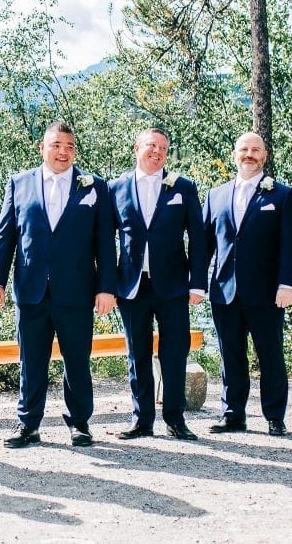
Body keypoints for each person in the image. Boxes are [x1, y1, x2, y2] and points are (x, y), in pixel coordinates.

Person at [0, 121, 116, 447]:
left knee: (77, 360)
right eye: (57, 145)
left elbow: (105, 242)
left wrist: (106, 287)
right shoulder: (20, 183)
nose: (63, 152)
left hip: (76, 291)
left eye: (70, 146)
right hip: (31, 290)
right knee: (31, 362)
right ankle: (28, 424)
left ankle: (80, 423)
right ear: (42, 148)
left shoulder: (94, 187)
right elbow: (6, 238)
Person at [109, 128, 207, 441]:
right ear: (137, 147)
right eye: (152, 145)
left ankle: (175, 419)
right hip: (132, 285)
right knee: (137, 354)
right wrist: (107, 285)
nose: (157, 151)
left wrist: (198, 283)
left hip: (174, 285)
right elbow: (102, 241)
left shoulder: (183, 187)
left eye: (163, 147)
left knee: (174, 353)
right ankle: (142, 420)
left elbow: (199, 238)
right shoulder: (115, 187)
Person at [203, 132, 292, 436]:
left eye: (255, 150)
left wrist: (287, 284)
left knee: (270, 353)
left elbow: (291, 245)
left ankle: (274, 415)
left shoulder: (282, 195)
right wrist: (195, 284)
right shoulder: (215, 195)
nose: (249, 154)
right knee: (230, 355)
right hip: (224, 291)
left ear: (265, 155)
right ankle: (233, 414)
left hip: (267, 292)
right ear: (235, 154)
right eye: (244, 149)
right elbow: (205, 245)